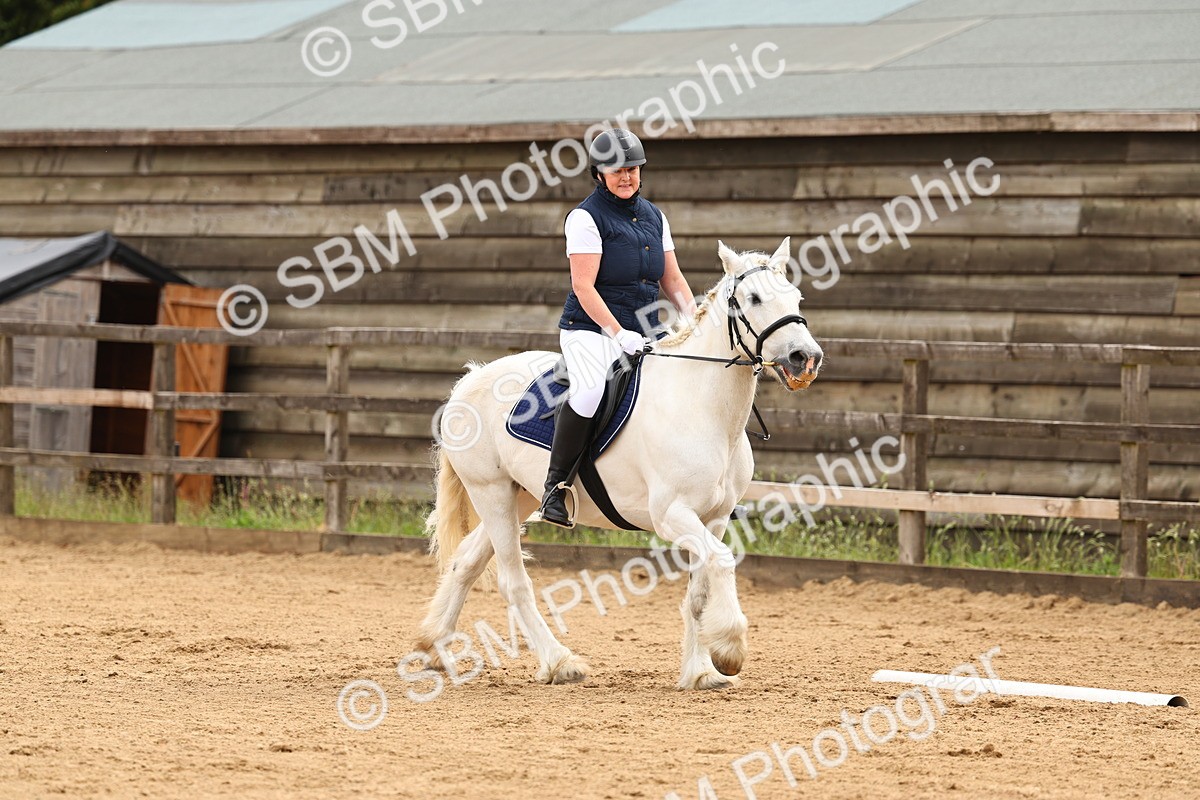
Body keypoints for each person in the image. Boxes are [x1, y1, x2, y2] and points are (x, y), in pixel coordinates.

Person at [532, 128, 697, 528]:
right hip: (589, 328)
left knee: (689, 385)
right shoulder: (586, 218)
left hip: (647, 331)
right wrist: (617, 333)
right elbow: (583, 286)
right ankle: (556, 488)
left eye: (633, 169)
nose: (626, 177)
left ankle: (703, 489)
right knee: (589, 390)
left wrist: (694, 320)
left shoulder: (656, 217)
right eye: (617, 170)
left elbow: (672, 280)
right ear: (599, 174)